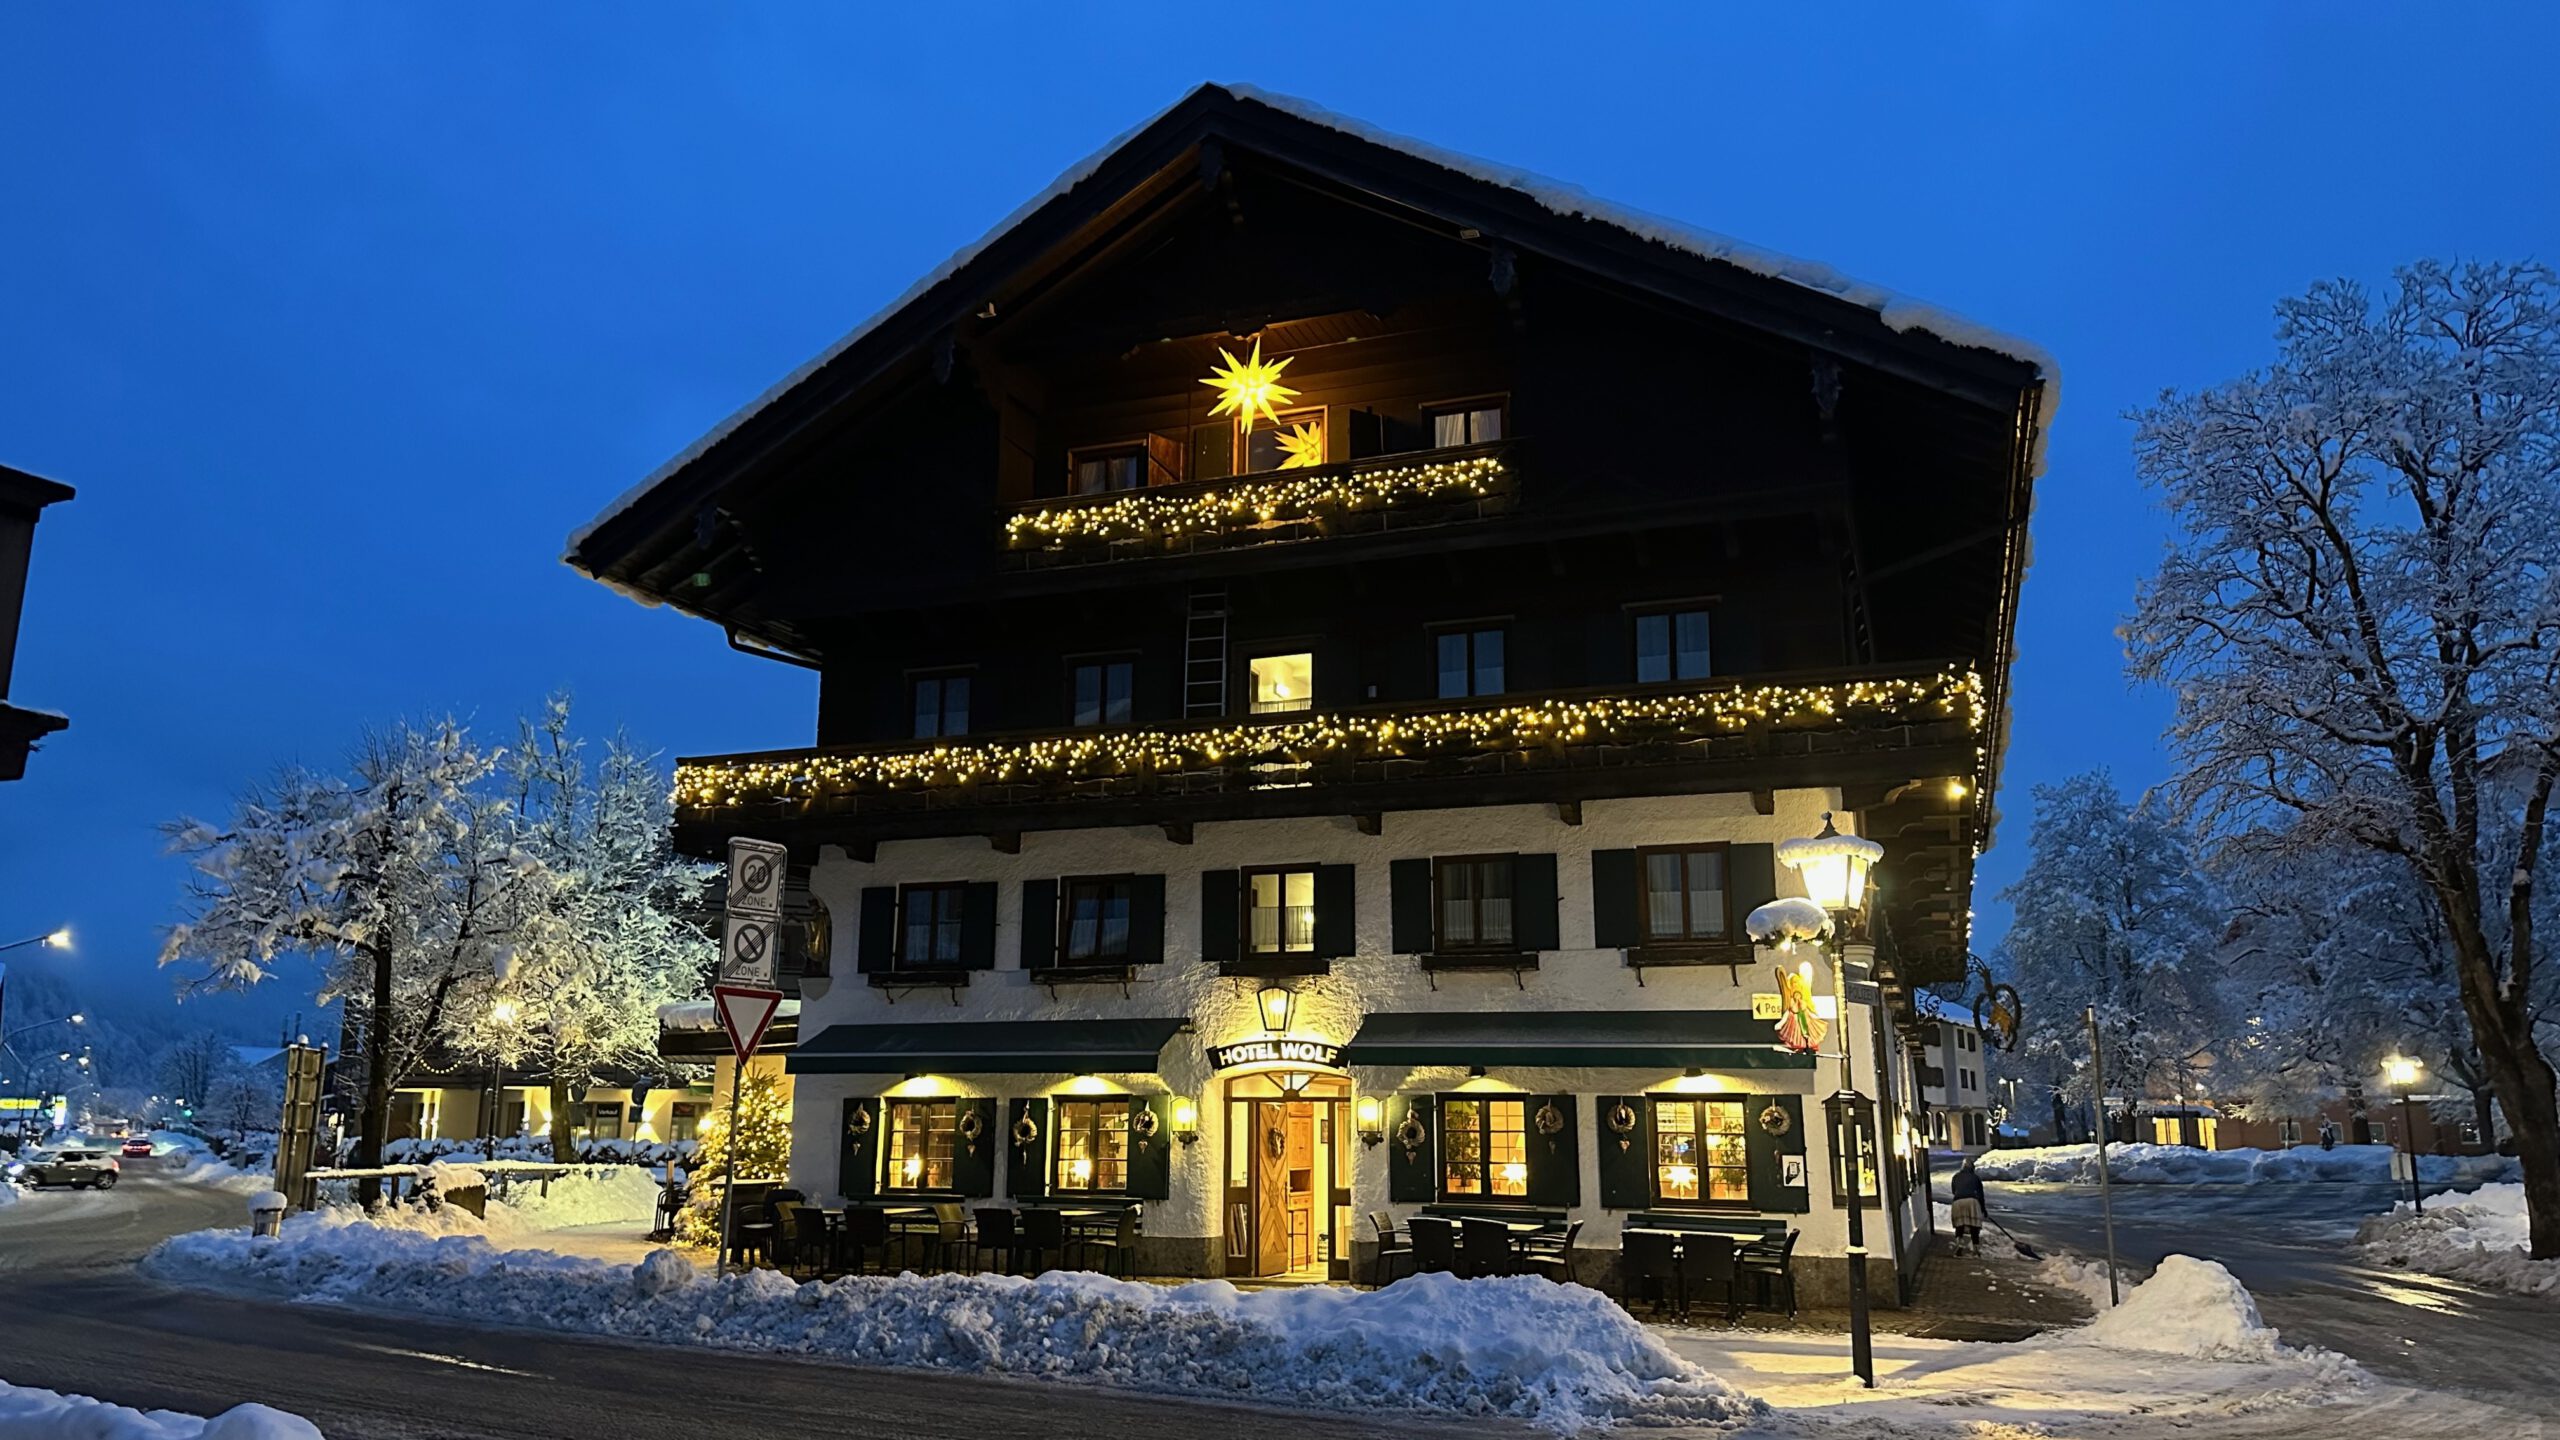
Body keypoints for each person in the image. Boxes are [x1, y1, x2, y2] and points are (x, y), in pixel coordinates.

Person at [1948, 1155, 1987, 1254]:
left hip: (1958, 1202)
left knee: (1959, 1225)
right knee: (1974, 1226)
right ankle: (1976, 1248)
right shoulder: (1975, 1178)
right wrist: (1983, 1209)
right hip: (1972, 1201)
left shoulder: (1956, 1176)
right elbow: (1980, 1194)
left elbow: (1954, 1191)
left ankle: (1959, 1243)